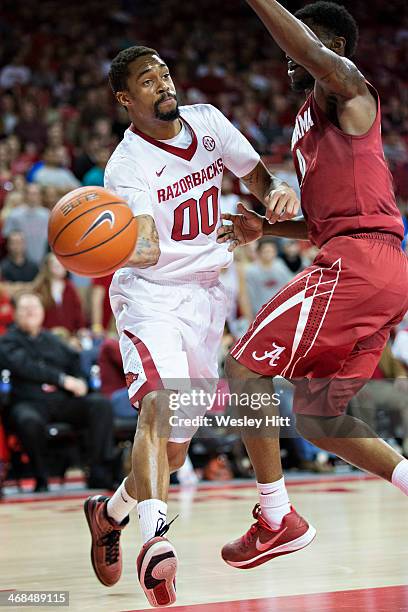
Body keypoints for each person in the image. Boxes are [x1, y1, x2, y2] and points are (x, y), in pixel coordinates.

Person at [83, 45, 300, 607]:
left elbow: (255, 173)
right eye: (148, 80)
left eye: (166, 73)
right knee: (157, 408)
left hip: (208, 299)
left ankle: (109, 515)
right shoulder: (126, 165)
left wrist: (273, 192)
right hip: (152, 298)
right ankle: (155, 544)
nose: (164, 84)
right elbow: (146, 243)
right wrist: (112, 248)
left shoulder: (207, 122)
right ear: (126, 99)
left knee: (173, 453)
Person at [216, 0, 408, 571]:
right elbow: (327, 218)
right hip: (378, 270)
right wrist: (268, 226)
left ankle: (276, 518)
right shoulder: (309, 122)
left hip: (360, 263)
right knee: (319, 416)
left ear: (335, 48)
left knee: (244, 366)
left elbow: (309, 51)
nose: (288, 55)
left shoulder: (350, 88)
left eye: (305, 41)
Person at [0, 292, 114, 492]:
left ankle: (99, 471)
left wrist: (80, 381)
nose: (30, 312)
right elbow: (27, 367)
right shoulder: (7, 342)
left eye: (34, 307)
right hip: (30, 401)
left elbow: (75, 363)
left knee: (100, 405)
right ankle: (41, 476)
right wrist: (62, 379)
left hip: (61, 401)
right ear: (15, 314)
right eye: (25, 308)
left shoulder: (53, 339)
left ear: (43, 312)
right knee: (28, 420)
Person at [32, 253, 86, 334]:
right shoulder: (40, 287)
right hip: (46, 333)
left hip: (69, 334)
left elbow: (77, 310)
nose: (59, 267)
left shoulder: (70, 287)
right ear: (48, 267)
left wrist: (81, 328)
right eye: (55, 265)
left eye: (61, 264)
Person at [245, 237, 293, 317]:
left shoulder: (281, 266)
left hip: (281, 312)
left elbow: (288, 288)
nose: (269, 254)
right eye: (266, 251)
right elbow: (249, 297)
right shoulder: (251, 271)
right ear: (258, 252)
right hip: (260, 314)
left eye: (271, 251)